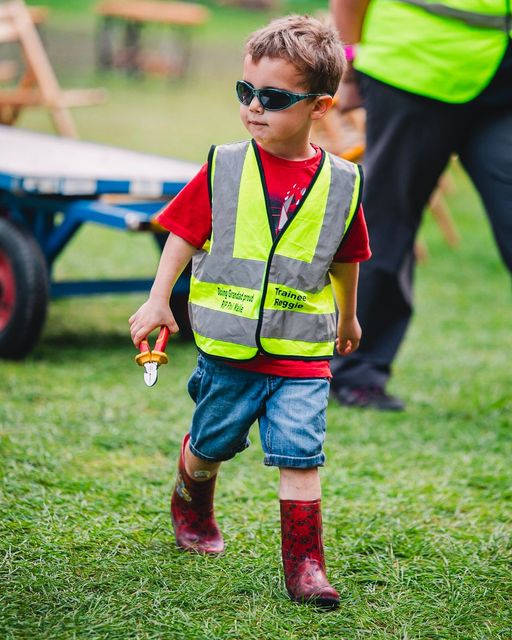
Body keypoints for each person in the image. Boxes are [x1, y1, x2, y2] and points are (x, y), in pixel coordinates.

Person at [129, 14, 371, 609]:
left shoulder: (342, 183)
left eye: (274, 97)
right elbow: (183, 232)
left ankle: (306, 566)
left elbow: (346, 255)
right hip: (229, 351)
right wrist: (160, 298)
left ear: (320, 106)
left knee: (300, 451)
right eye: (246, 91)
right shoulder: (226, 167)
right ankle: (192, 498)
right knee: (212, 444)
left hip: (301, 356)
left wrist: (347, 318)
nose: (254, 107)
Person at [329, 0, 512, 411]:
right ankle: (357, 372)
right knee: (388, 222)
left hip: (501, 77)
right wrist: (350, 63)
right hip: (410, 71)